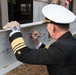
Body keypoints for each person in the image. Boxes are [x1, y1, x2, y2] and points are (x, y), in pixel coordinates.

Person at [4, 4, 76, 75]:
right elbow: (52, 53)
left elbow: (23, 54)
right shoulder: (71, 41)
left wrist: (15, 29)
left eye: (47, 25)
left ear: (52, 27)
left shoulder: (60, 49)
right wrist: (37, 42)